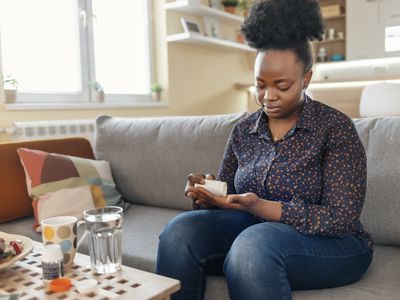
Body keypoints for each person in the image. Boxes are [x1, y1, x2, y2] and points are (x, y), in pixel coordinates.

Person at [156, 0, 373, 299]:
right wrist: (209, 193)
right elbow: (230, 196)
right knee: (179, 233)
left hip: (334, 243)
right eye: (260, 85)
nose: (268, 97)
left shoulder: (334, 128)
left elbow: (341, 218)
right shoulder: (244, 130)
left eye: (282, 85)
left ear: (306, 78)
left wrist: (260, 206)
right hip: (254, 230)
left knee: (253, 245)